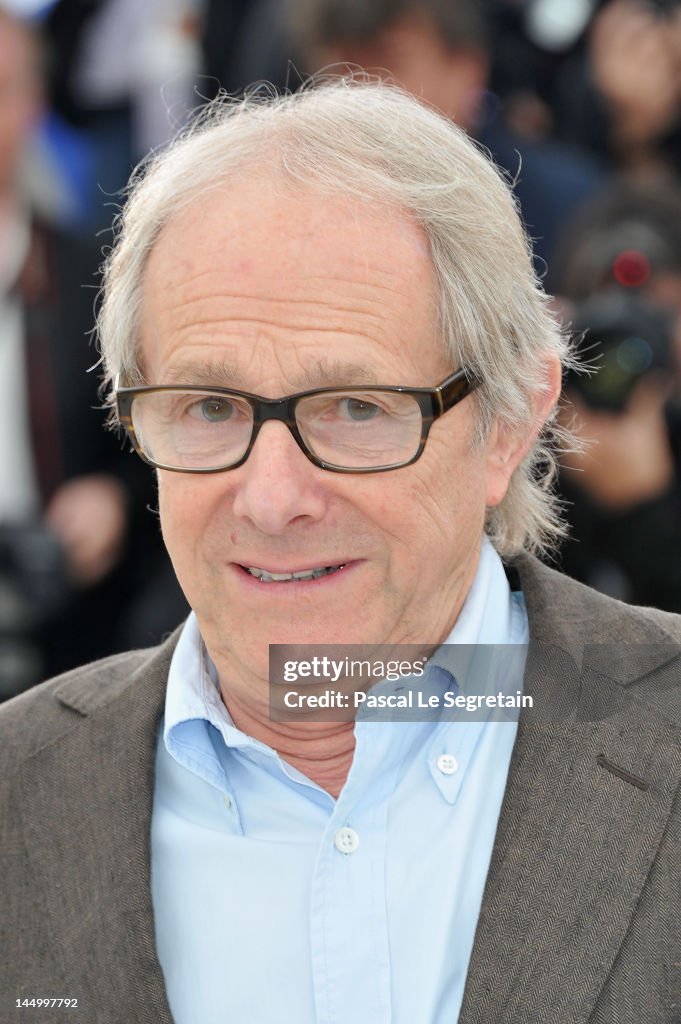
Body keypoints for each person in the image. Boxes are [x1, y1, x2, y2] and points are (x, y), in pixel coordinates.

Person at [1, 80, 679, 1024]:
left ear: (510, 420)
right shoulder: (15, 788)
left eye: (356, 408)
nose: (273, 499)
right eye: (207, 407)